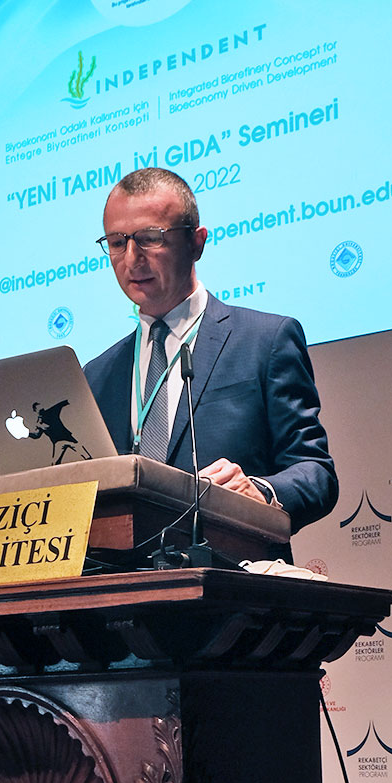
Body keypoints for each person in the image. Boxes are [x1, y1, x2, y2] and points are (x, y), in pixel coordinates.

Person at [83, 168, 337, 534]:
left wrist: (261, 492)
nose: (132, 258)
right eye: (117, 242)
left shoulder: (265, 341)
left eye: (150, 238)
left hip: (233, 564)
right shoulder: (98, 375)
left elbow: (316, 472)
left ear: (196, 243)